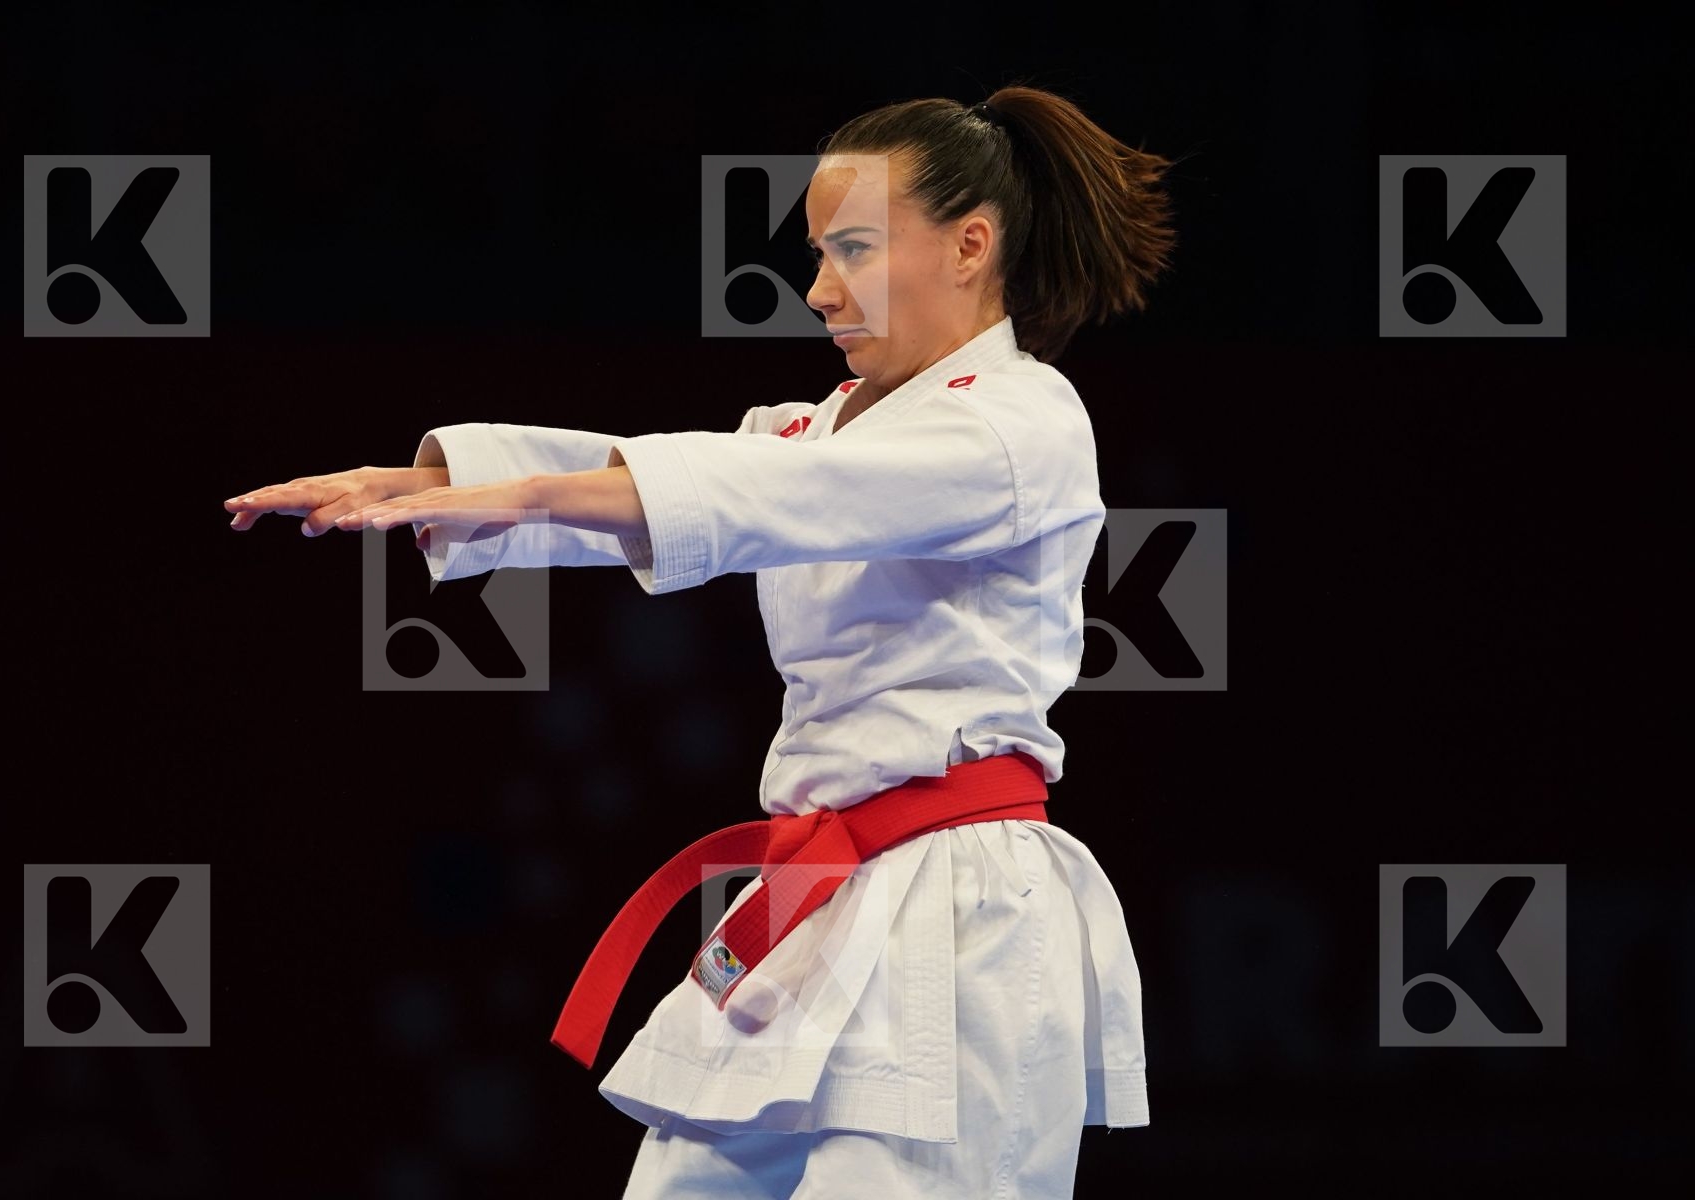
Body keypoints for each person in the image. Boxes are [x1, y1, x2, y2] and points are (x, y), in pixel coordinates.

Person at [225, 83, 1177, 1199]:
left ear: (970, 247)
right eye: (819, 254)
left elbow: (772, 493)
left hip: (961, 916)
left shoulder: (1022, 420)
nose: (820, 289)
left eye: (855, 249)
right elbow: (682, 477)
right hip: (818, 898)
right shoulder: (823, 425)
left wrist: (513, 491)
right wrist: (431, 481)